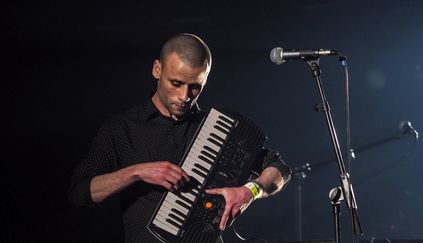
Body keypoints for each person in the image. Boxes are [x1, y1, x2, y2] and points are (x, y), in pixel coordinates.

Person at [68, 33, 292, 242]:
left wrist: (250, 191)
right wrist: (137, 172)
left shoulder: (219, 128)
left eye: (195, 86)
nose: (184, 96)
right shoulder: (122, 128)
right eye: (175, 83)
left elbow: (279, 168)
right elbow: (80, 193)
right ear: (157, 69)